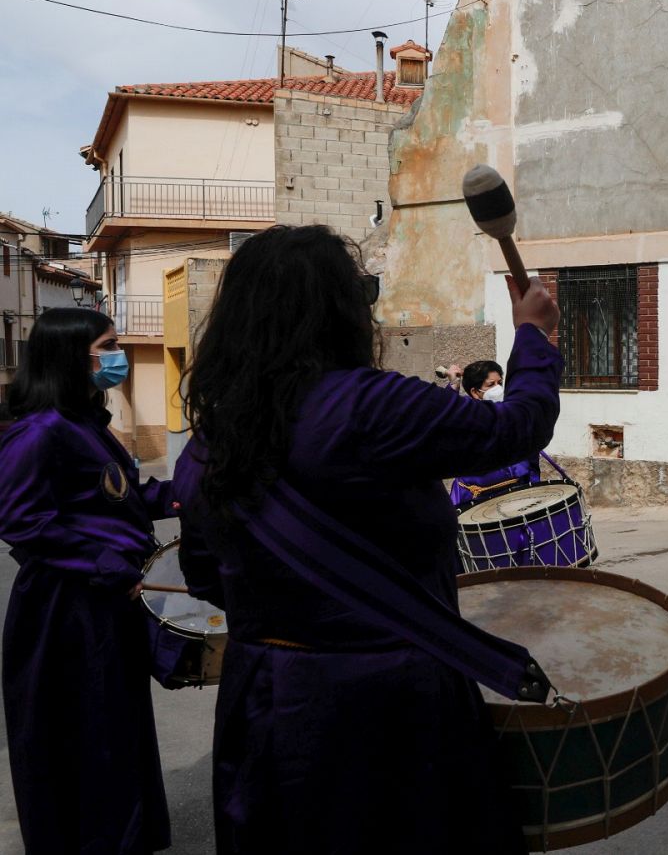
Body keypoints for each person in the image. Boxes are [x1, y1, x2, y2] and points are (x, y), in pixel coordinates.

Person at [170, 225, 561, 853]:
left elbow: (205, 576)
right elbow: (518, 427)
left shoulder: (210, 439)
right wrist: (535, 338)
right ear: (340, 312)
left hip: (266, 700)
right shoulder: (371, 406)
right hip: (389, 703)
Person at [0, 307, 172, 854]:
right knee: (83, 738)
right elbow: (22, 520)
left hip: (104, 601)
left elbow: (117, 498)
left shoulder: (83, 426)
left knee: (115, 732)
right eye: (110, 345)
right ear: (74, 357)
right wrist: (104, 565)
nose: (118, 357)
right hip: (65, 613)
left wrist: (181, 493)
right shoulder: (39, 432)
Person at [448, 359, 537, 508]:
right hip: (476, 500)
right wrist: (453, 385)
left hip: (516, 494)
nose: (498, 389)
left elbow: (531, 453)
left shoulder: (513, 412)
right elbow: (445, 417)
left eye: (499, 383)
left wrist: (533, 485)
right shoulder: (465, 416)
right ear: (475, 392)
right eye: (491, 385)